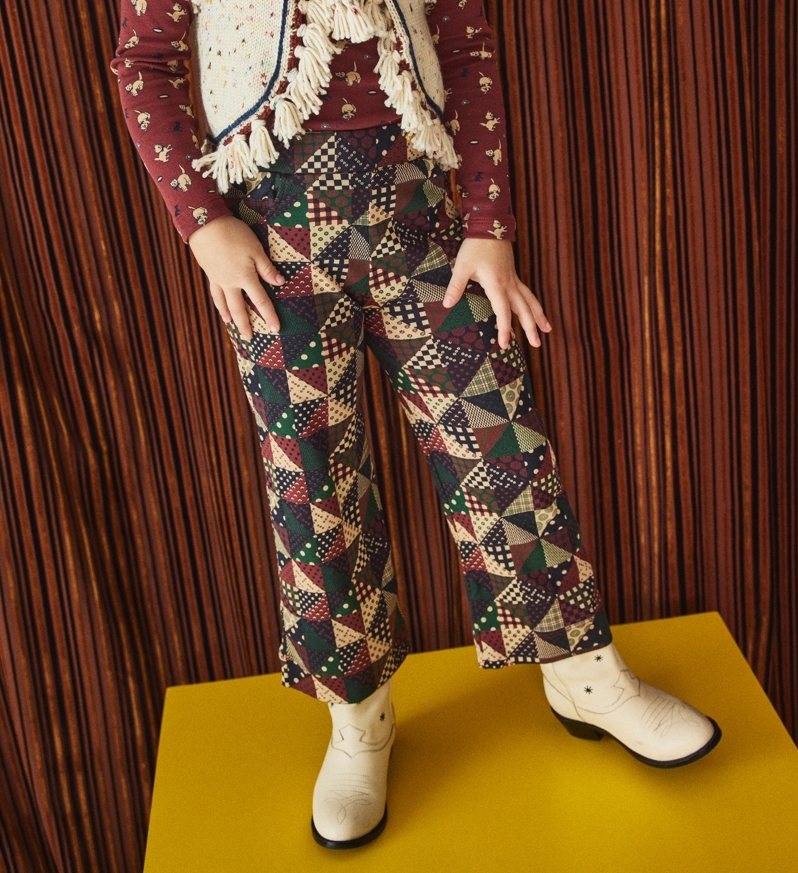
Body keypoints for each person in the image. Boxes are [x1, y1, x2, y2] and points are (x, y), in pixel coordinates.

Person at [112, 0, 721, 850]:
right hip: (272, 235)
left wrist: (489, 225)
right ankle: (357, 714)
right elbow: (143, 63)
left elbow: (466, 49)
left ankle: (583, 674)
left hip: (421, 212)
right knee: (312, 479)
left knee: (498, 443)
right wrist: (202, 222)